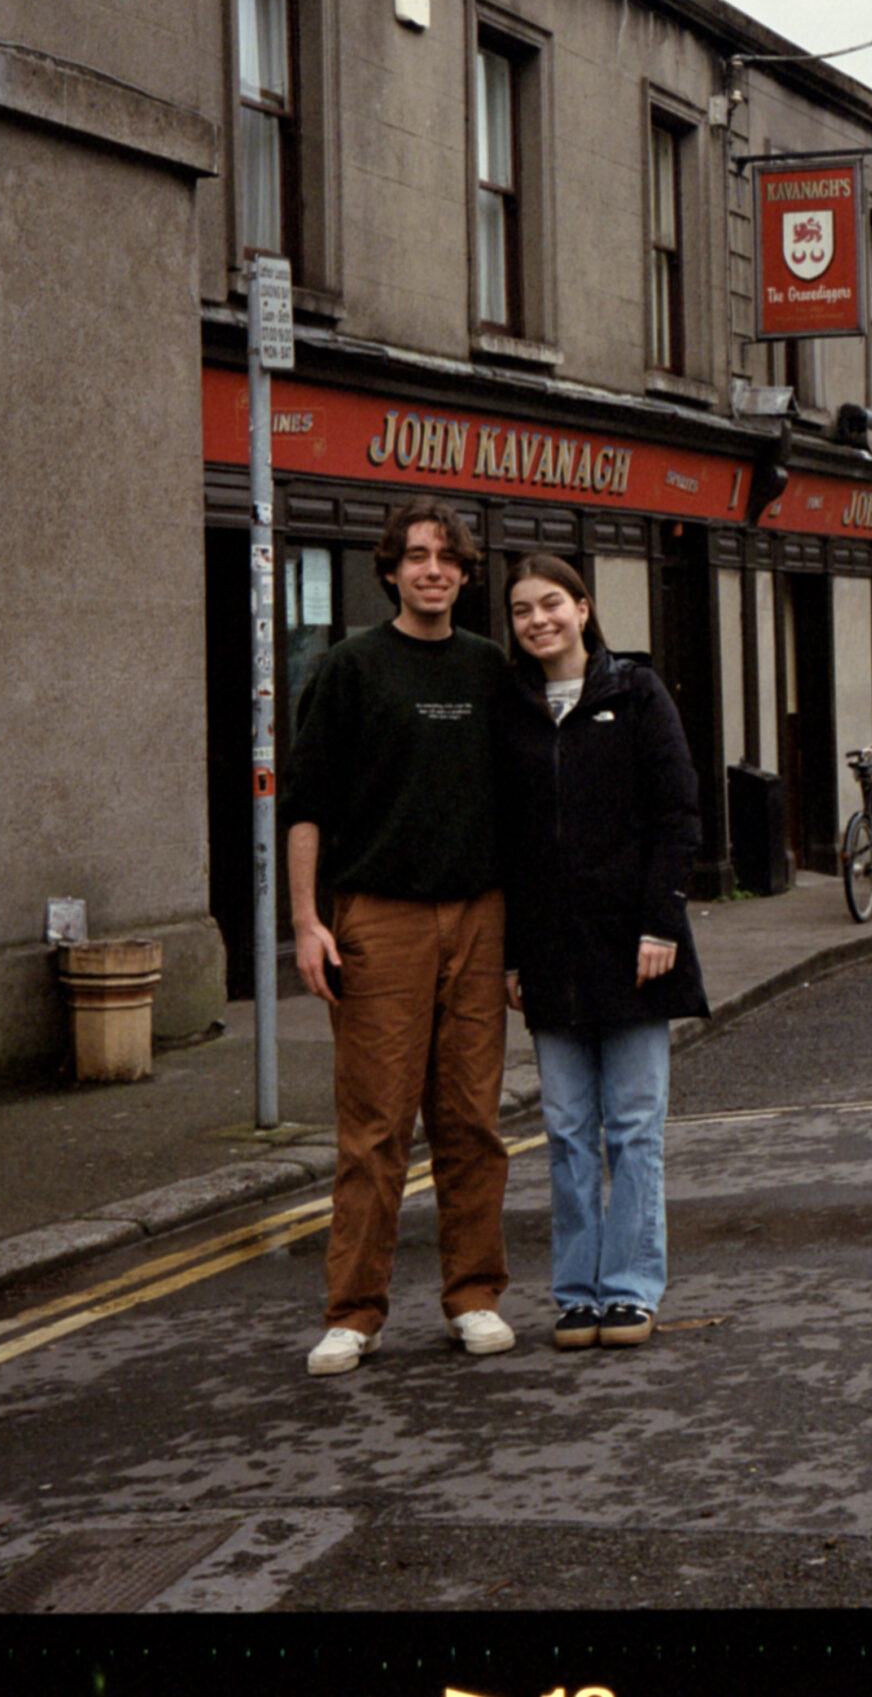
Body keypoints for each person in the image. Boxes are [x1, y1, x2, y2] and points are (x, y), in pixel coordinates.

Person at [281, 501, 516, 1374]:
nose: (431, 569)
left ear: (464, 572)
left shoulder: (492, 670)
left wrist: (518, 939)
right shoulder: (350, 668)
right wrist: (307, 923)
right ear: (391, 571)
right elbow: (304, 806)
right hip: (376, 916)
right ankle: (354, 1310)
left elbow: (521, 805)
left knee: (471, 1120)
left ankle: (475, 1295)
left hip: (480, 915)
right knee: (375, 1126)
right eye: (415, 556)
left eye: (446, 557)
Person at [496, 554, 709, 1350]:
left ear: (583, 609)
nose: (538, 619)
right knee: (566, 1129)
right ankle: (578, 1292)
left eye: (552, 602)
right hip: (550, 953)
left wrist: (661, 924)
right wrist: (511, 956)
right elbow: (509, 844)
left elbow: (676, 813)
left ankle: (630, 1288)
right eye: (522, 609)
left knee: (633, 1126)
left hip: (634, 947)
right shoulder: (511, 708)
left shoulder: (636, 692)